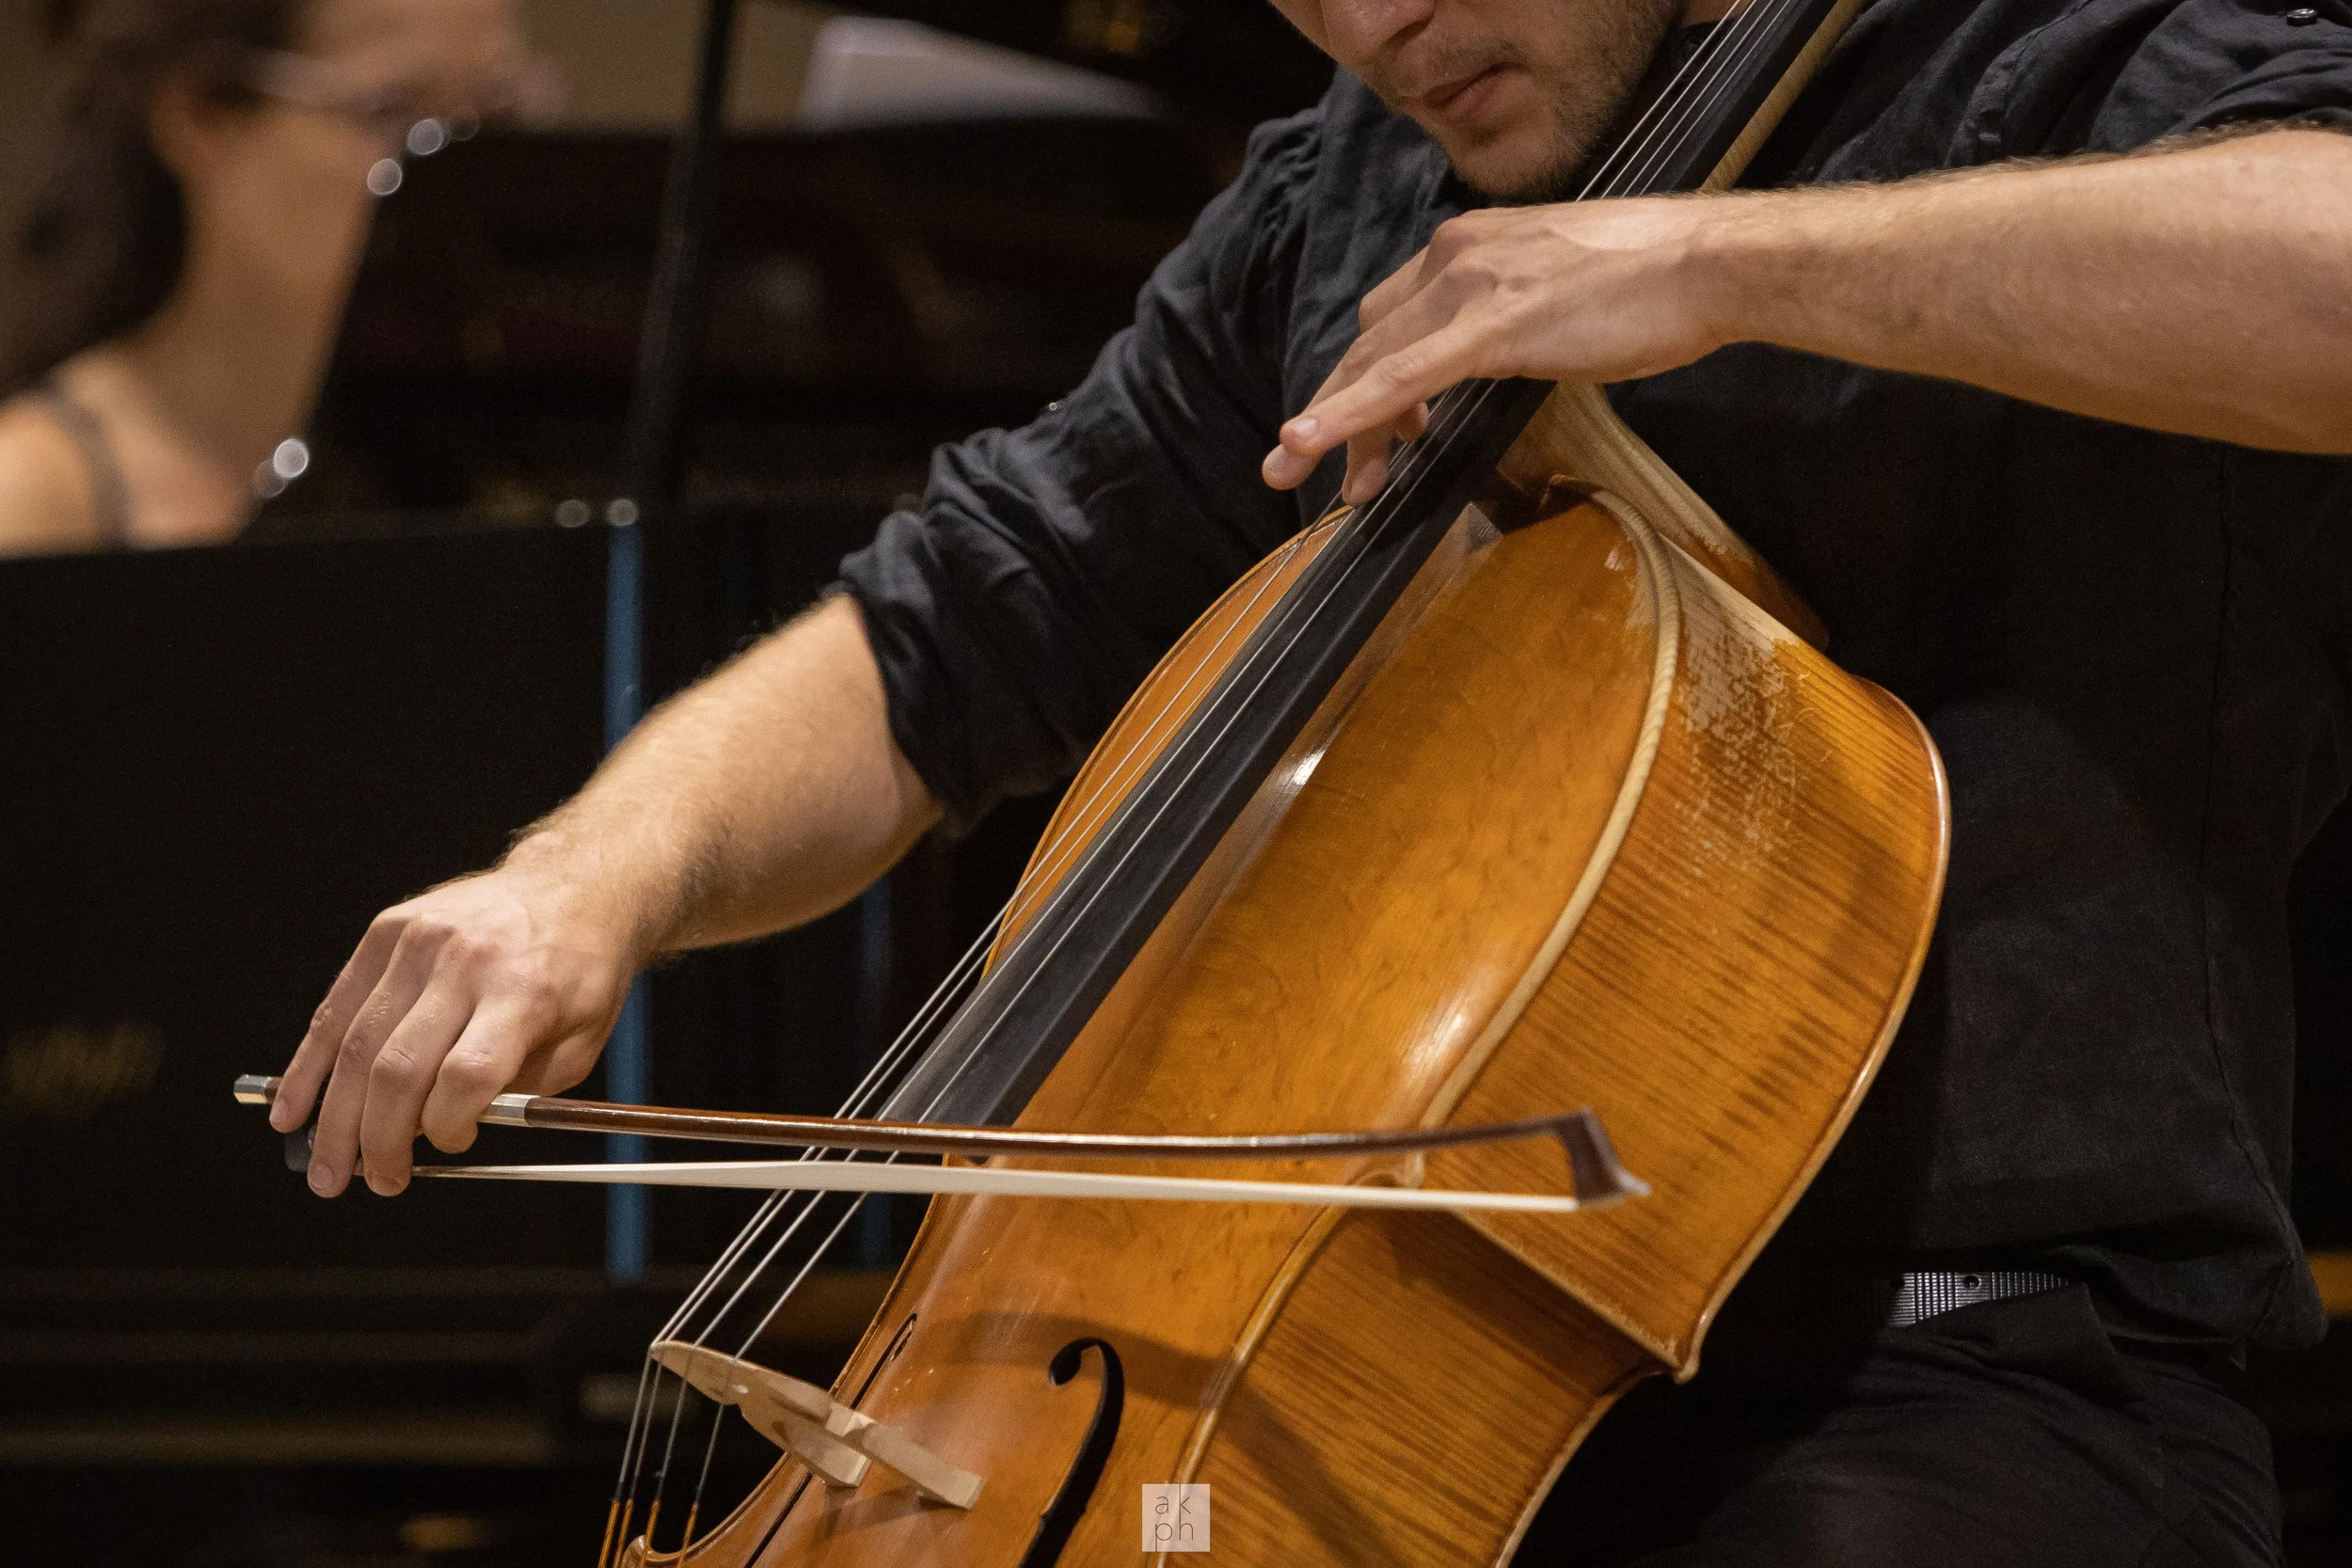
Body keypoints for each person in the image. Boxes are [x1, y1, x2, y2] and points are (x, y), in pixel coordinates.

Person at [268, 0, 2352, 1560]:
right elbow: (948, 628)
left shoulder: (2052, 51)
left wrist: (1729, 263)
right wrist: (590, 874)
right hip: (1333, 1389)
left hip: (1954, 1379)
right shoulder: (1350, 188)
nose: (1370, 24)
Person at [0, 0, 536, 555]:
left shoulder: (498, 456)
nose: (456, 178)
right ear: (203, 112)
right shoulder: (32, 498)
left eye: (496, 113)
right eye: (390, 109)